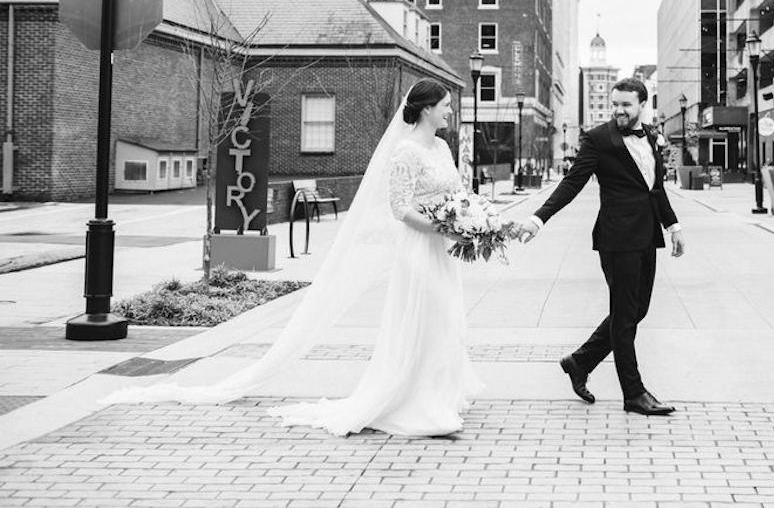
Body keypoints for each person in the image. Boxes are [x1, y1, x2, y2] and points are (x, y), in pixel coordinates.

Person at [103, 79, 482, 437]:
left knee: (446, 315)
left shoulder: (443, 149)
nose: (450, 111)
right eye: (446, 105)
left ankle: (440, 391)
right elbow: (399, 209)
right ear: (426, 109)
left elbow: (456, 195)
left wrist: (468, 218)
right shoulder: (405, 152)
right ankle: (415, 400)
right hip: (420, 247)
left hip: (442, 249)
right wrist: (441, 227)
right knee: (422, 317)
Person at [518, 78, 685, 416]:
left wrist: (674, 226)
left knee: (637, 311)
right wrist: (538, 219)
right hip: (617, 238)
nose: (619, 110)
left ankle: (580, 362)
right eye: (616, 104)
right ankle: (634, 393)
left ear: (642, 105)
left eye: (626, 104)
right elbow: (572, 182)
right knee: (625, 317)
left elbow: (656, 189)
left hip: (647, 236)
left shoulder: (651, 137)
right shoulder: (598, 139)